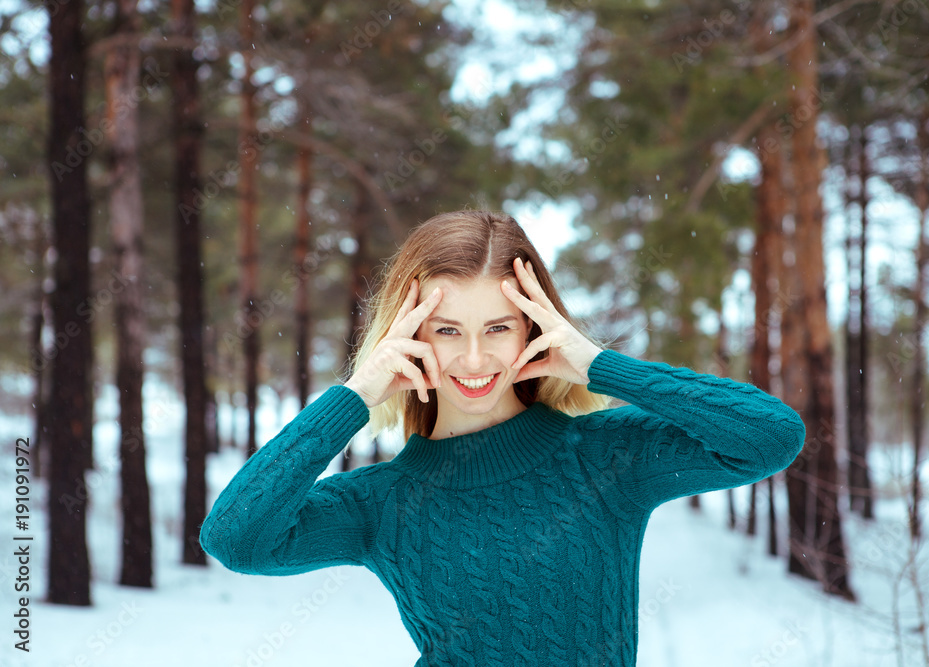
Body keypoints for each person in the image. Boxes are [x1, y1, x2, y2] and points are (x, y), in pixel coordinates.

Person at [200, 209, 806, 666]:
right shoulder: (378, 503)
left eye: (498, 327)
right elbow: (236, 540)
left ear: (536, 329)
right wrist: (354, 397)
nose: (472, 357)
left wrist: (601, 366)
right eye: (445, 329)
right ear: (405, 338)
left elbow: (770, 436)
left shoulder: (607, 456)